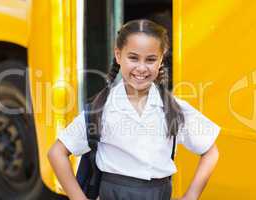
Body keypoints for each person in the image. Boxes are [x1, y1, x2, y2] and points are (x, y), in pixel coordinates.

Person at [48, 19, 221, 200]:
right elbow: (56, 153)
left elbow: (210, 151)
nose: (141, 68)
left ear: (161, 60)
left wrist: (191, 195)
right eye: (133, 57)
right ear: (118, 55)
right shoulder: (101, 110)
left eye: (151, 59)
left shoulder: (174, 109)